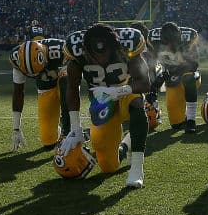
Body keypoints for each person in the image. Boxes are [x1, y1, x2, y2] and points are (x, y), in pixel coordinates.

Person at [62, 24, 151, 188]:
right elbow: (72, 88)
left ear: (114, 46)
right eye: (96, 54)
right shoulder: (76, 51)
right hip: (101, 102)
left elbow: (145, 84)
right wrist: (75, 128)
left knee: (137, 102)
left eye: (105, 53)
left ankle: (137, 168)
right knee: (108, 167)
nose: (101, 58)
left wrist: (117, 91)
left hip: (125, 91)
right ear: (86, 49)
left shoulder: (127, 45)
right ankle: (127, 142)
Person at [9, 36, 75, 150]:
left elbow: (74, 83)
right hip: (45, 85)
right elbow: (18, 92)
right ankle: (58, 129)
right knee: (48, 141)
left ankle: (70, 131)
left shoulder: (61, 50)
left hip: (64, 76)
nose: (34, 75)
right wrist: (16, 129)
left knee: (66, 85)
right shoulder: (17, 58)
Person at [146, 22, 201, 133]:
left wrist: (170, 72)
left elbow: (194, 64)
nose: (171, 46)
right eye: (167, 42)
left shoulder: (189, 37)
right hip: (172, 78)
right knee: (176, 124)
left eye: (173, 42)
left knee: (188, 78)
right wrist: (154, 87)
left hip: (189, 74)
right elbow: (151, 65)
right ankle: (183, 117)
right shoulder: (153, 40)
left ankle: (191, 120)